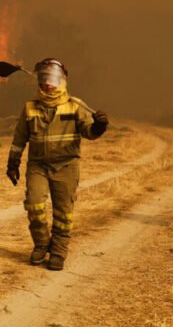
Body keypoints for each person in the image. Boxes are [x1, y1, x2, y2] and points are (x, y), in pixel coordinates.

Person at [6, 58, 109, 271]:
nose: (48, 84)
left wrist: (99, 126)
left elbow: (89, 133)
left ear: (62, 81)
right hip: (38, 167)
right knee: (34, 205)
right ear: (39, 81)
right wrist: (13, 163)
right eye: (44, 78)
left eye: (53, 79)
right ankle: (42, 244)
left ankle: (59, 251)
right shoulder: (30, 108)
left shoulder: (75, 106)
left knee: (63, 213)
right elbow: (19, 139)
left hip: (66, 167)